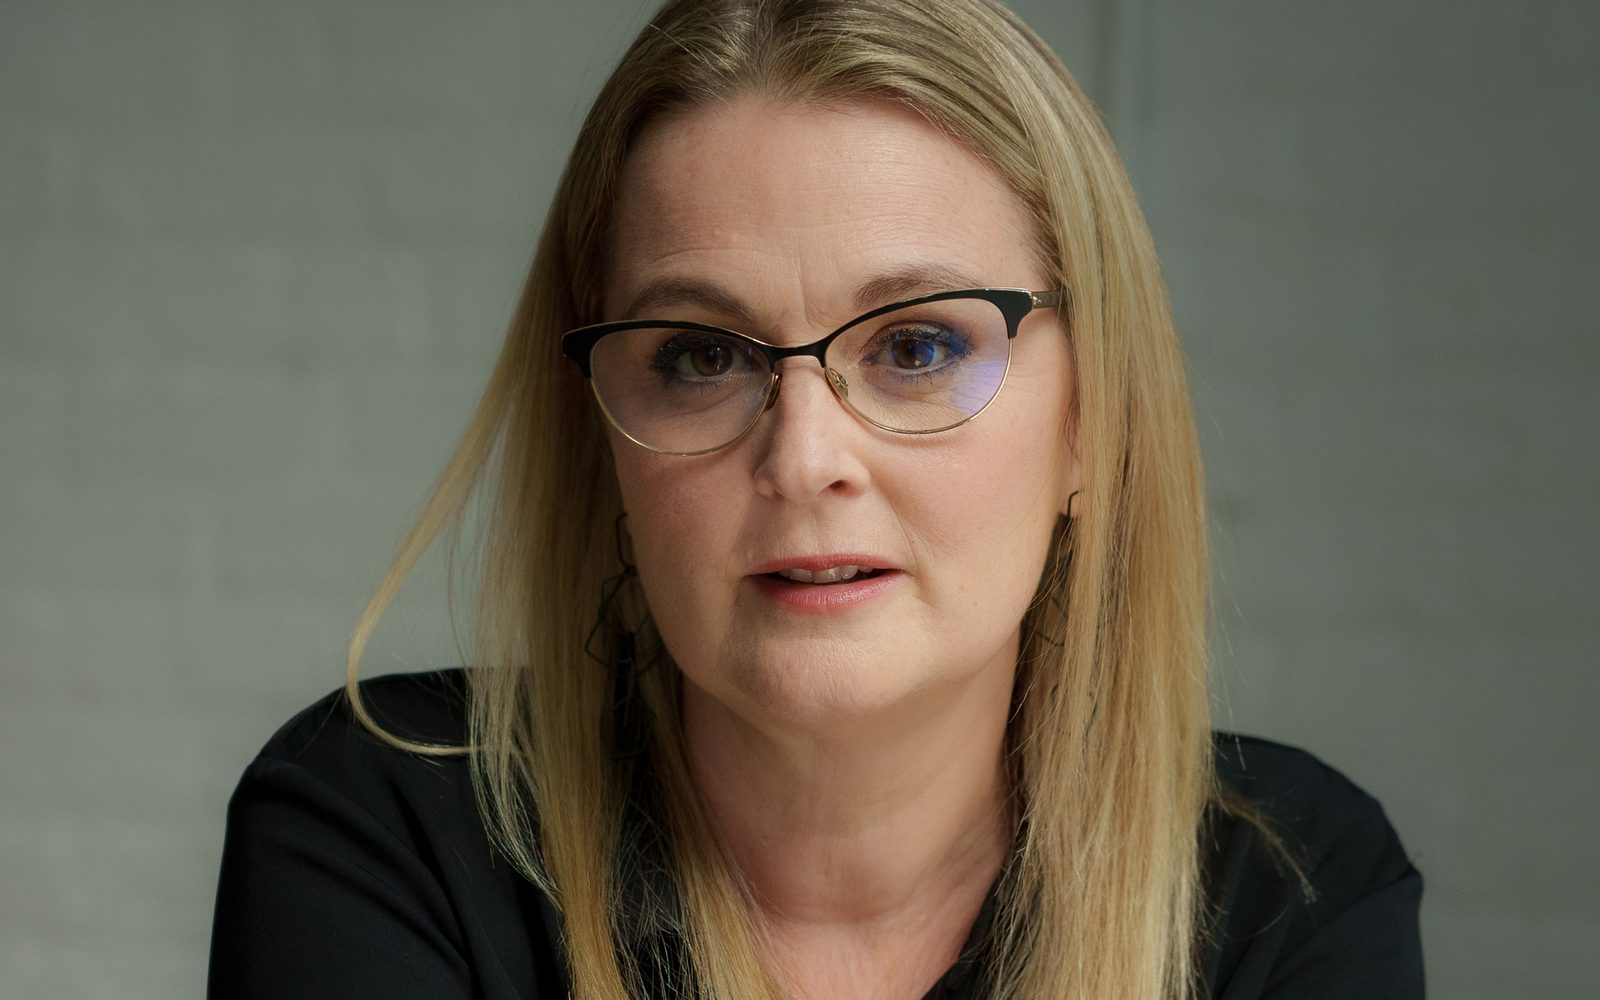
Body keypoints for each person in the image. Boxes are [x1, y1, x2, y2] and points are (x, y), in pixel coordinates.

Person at [207, 1, 1424, 997]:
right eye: (701, 355)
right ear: (603, 440)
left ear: (1091, 426)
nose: (803, 457)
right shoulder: (387, 830)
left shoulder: (1287, 885)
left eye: (917, 346)